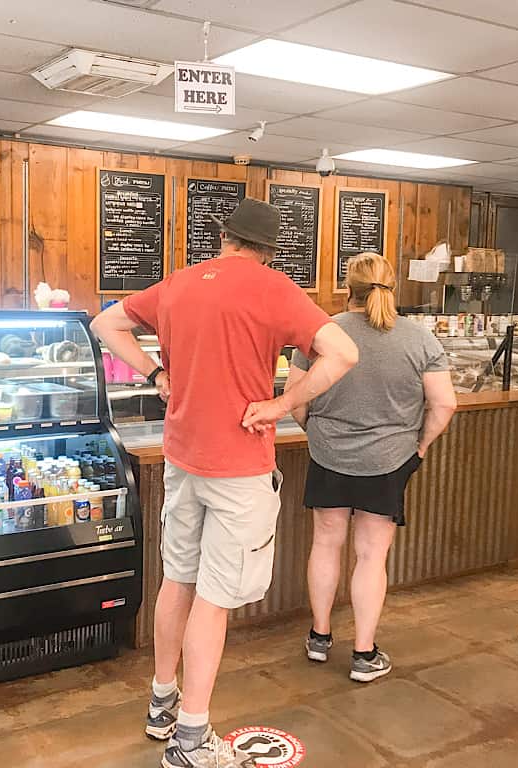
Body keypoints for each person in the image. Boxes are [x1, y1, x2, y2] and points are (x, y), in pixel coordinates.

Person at [91, 198, 358, 768]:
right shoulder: (273, 288)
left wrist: (156, 373)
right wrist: (282, 402)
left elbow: (104, 322)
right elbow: (344, 352)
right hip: (239, 469)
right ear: (270, 249)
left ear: (223, 237)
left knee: (177, 582)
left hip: (182, 461)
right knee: (214, 600)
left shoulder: (179, 284)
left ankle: (162, 705)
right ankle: (191, 740)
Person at [288, 253, 456, 683]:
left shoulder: (322, 333)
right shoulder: (419, 339)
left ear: (349, 287)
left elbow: (295, 398)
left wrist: (316, 431)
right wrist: (418, 446)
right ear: (392, 286)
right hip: (389, 460)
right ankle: (364, 654)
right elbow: (445, 404)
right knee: (371, 554)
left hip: (329, 455)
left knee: (326, 544)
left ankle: (319, 638)